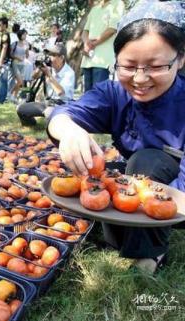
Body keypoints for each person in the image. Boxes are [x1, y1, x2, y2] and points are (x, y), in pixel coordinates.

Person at [47, 0, 185, 274]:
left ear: (180, 59)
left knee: (145, 162)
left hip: (177, 190)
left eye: (155, 66)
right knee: (103, 175)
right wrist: (70, 132)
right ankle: (121, 235)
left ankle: (150, 253)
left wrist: (161, 204)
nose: (140, 79)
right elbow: (63, 114)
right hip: (139, 183)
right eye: (128, 66)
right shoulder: (113, 94)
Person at [17, 43, 75, 126]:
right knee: (21, 109)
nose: (49, 58)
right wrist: (39, 68)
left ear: (61, 58)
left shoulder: (69, 73)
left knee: (49, 115)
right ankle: (32, 124)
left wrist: (49, 75)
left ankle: (57, 123)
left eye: (52, 55)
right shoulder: (49, 68)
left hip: (62, 105)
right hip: (47, 103)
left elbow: (60, 92)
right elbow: (33, 77)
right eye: (49, 55)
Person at [81, 0, 125, 92]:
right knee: (86, 97)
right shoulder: (95, 9)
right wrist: (86, 43)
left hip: (103, 61)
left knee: (99, 97)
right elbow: (85, 31)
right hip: (88, 60)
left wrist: (93, 43)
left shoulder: (118, 4)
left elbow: (112, 29)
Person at [0, 16, 12, 104]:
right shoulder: (5, 35)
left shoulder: (5, 35)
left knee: (2, 81)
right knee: (2, 80)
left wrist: (0, 62)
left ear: (5, 26)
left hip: (4, 61)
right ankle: (0, 99)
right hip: (6, 61)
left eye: (0, 25)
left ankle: (0, 100)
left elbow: (4, 48)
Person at [10, 29, 29, 103]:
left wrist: (27, 52)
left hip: (23, 64)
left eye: (26, 34)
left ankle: (14, 97)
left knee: (19, 82)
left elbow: (27, 55)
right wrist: (17, 57)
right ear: (20, 35)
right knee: (20, 81)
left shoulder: (26, 44)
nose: (25, 36)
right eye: (24, 34)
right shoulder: (15, 43)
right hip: (15, 63)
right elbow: (11, 54)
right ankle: (10, 93)